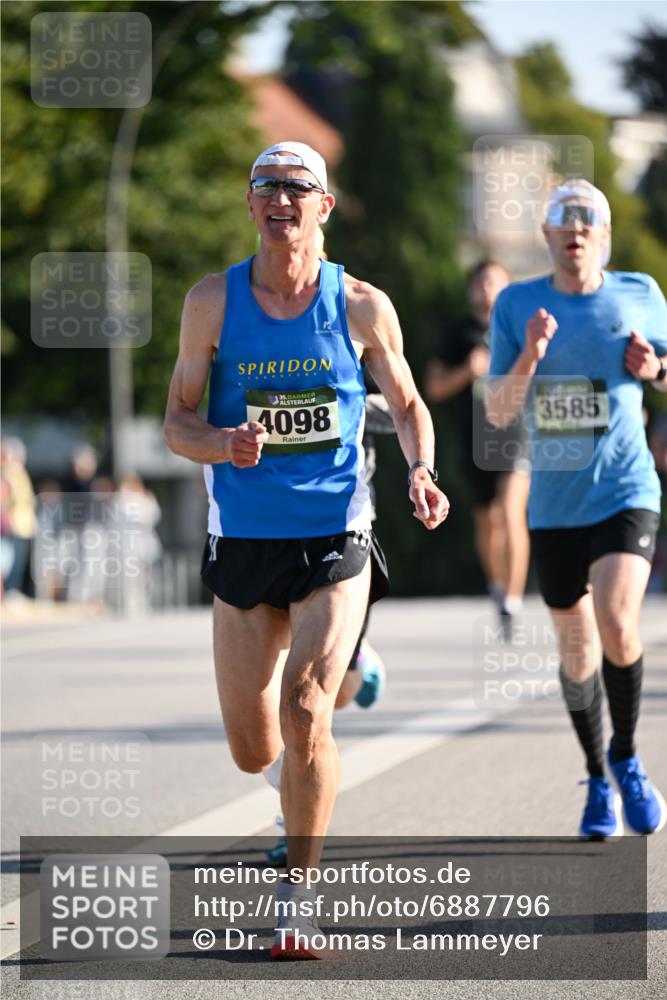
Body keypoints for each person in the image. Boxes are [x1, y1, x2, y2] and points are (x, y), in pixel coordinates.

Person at [163, 141, 450, 957]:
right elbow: (177, 421)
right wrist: (221, 444)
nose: (280, 198)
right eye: (267, 186)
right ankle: (340, 695)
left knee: (304, 712)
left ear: (323, 205)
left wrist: (420, 469)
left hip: (333, 534)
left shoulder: (359, 305)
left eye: (297, 187)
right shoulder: (210, 302)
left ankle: (299, 896)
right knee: (253, 747)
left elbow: (407, 404)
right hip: (244, 540)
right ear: (250, 203)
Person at [486, 178, 667, 838]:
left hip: (625, 488)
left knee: (616, 620)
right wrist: (530, 355)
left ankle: (627, 758)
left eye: (588, 220)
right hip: (555, 503)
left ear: (604, 236)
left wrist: (654, 372)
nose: (576, 230)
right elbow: (497, 410)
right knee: (575, 649)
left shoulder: (640, 294)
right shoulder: (516, 304)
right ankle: (595, 776)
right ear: (547, 236)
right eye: (564, 220)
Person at [425, 261, 530, 637]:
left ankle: (513, 601)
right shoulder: (459, 333)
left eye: (495, 282)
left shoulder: (520, 329)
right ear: (471, 289)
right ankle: (498, 586)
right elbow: (434, 388)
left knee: (511, 511)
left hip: (517, 433)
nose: (487, 289)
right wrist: (466, 372)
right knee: (487, 521)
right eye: (481, 282)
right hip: (475, 438)